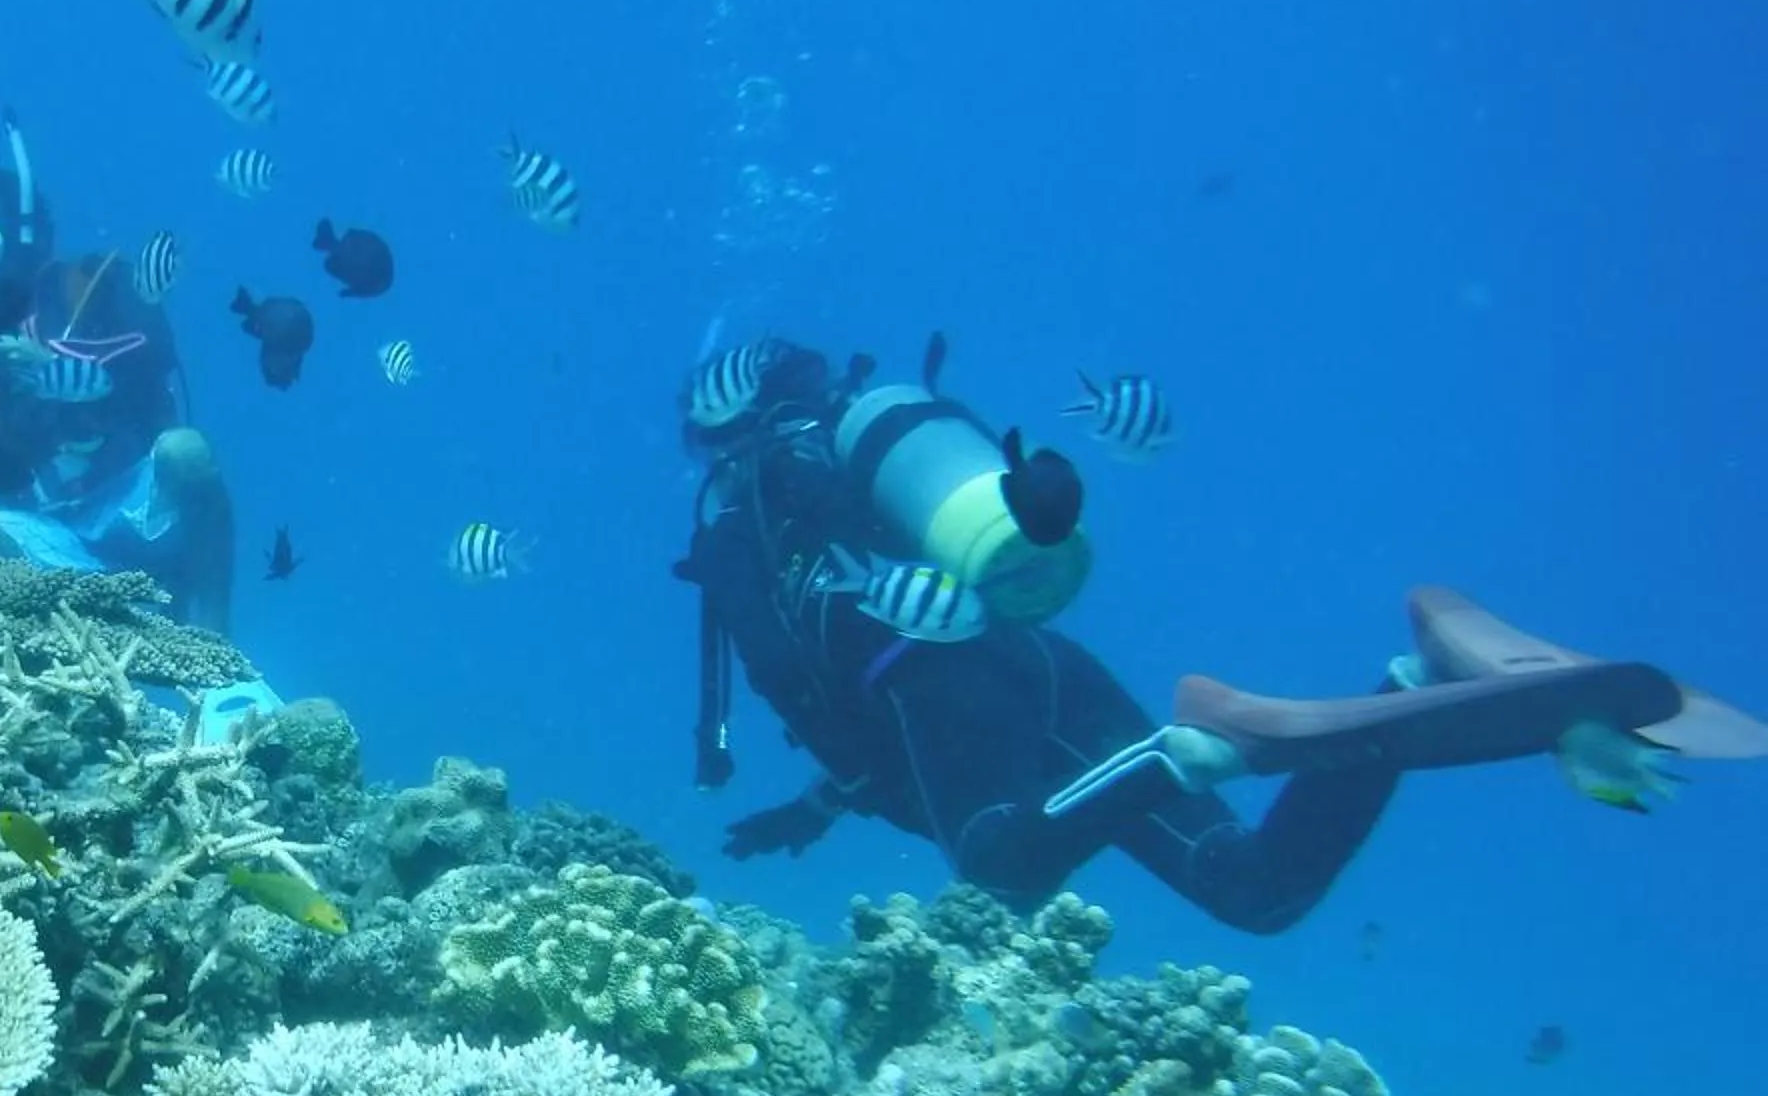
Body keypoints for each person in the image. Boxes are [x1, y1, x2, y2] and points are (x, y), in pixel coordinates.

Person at [673, 335, 1763, 933]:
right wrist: (816, 808)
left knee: (999, 866)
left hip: (942, 684)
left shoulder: (744, 524)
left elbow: (810, 676)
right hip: (1034, 659)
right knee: (1256, 894)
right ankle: (1403, 684)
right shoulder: (840, 492)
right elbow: (862, 687)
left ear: (719, 439)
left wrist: (809, 749)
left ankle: (1198, 746)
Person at [0, 113, 238, 632]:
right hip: (54, 530)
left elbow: (158, 359)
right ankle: (20, 687)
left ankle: (216, 650)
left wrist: (64, 375)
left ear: (28, 235)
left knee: (186, 452)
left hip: (138, 504)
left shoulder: (96, 285)